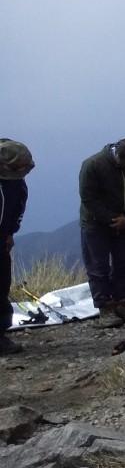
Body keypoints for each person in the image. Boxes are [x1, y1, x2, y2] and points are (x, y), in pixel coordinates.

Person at [79, 137, 125, 328]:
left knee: (124, 263)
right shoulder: (93, 165)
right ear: (119, 156)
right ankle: (105, 308)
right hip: (96, 223)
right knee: (98, 266)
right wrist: (111, 219)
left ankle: (123, 302)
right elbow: (88, 198)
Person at [0, 139, 34, 356]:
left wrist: (10, 232)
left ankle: (0, 333)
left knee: (1, 284)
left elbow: (17, 208)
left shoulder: (16, 183)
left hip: (2, 238)